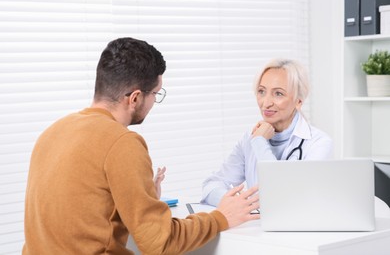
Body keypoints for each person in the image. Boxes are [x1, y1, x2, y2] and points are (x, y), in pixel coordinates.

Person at [22, 37, 260, 255]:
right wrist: (221, 217)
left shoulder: (52, 132)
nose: (154, 101)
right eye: (155, 94)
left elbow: (79, 216)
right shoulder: (122, 142)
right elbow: (159, 243)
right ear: (135, 98)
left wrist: (143, 196)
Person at [201, 58, 333, 206]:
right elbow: (211, 185)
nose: (266, 103)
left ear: (298, 102)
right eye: (261, 91)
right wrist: (237, 202)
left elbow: (284, 198)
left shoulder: (318, 143)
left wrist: (259, 143)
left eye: (278, 94)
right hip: (255, 226)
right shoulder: (250, 138)